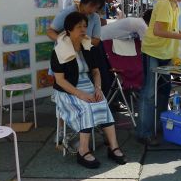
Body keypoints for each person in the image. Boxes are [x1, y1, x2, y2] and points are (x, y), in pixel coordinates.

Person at [51, 12, 126, 169]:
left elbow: (96, 72)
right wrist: (81, 94)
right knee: (86, 107)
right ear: (69, 29)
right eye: (79, 27)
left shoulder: (87, 47)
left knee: (102, 102)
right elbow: (60, 81)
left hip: (87, 85)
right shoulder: (59, 51)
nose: (83, 30)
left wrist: (98, 88)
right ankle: (83, 150)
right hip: (67, 90)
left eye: (85, 26)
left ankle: (113, 147)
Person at [136, 0, 181, 146]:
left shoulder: (174, 4)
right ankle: (144, 132)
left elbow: (171, 28)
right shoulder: (164, 3)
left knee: (164, 91)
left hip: (166, 53)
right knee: (149, 93)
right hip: (153, 51)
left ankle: (160, 125)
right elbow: (158, 30)